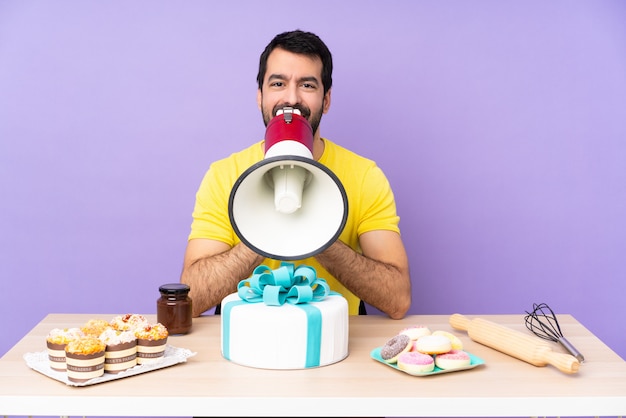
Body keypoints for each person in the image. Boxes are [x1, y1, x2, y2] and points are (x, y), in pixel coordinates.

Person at [180, 29, 411, 319]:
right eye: (278, 83)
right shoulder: (223, 175)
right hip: (245, 344)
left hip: (333, 343)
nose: (291, 99)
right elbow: (191, 299)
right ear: (260, 97)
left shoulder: (365, 175)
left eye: (307, 85)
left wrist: (318, 235)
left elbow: (398, 299)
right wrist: (263, 233)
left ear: (326, 100)